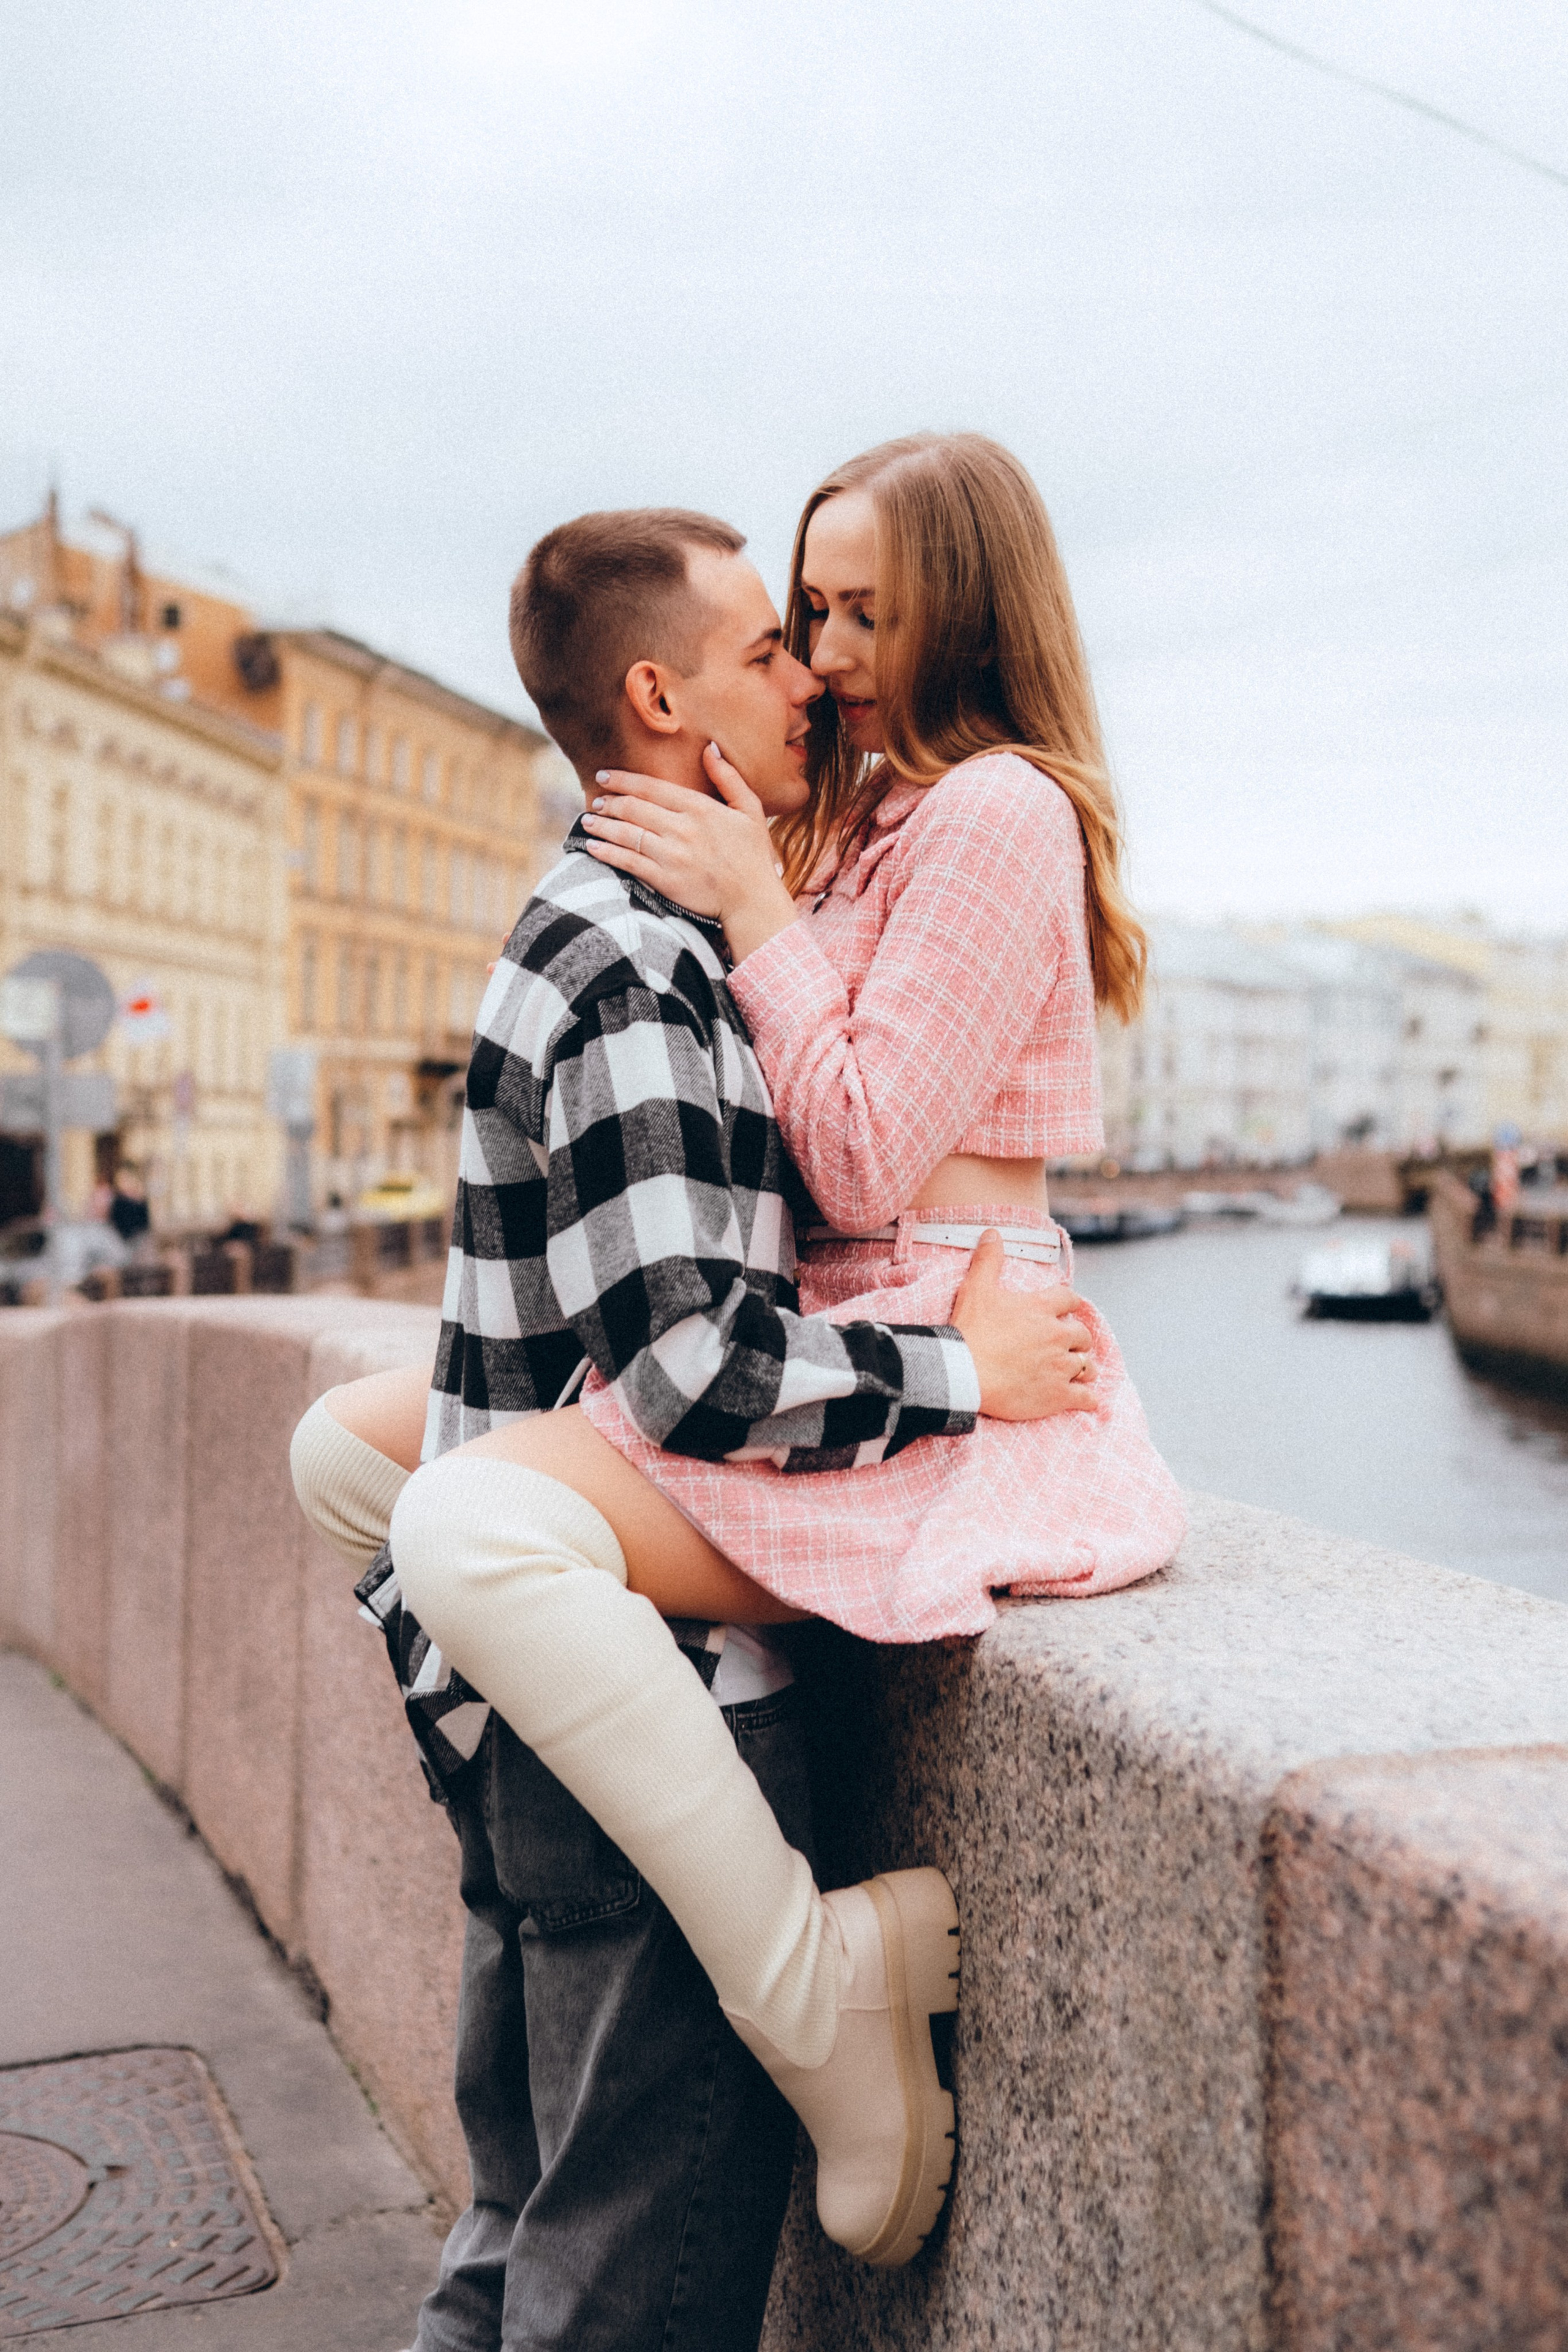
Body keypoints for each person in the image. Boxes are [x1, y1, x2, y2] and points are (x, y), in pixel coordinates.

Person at [293, 500, 1095, 2351]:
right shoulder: (643, 964)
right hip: (664, 1722)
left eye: (840, 624)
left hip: (540, 1727)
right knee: (614, 2304)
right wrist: (964, 1373)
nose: (809, 674)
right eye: (776, 639)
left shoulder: (615, 924)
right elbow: (695, 1371)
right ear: (663, 700)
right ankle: (814, 1986)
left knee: (510, 2254)